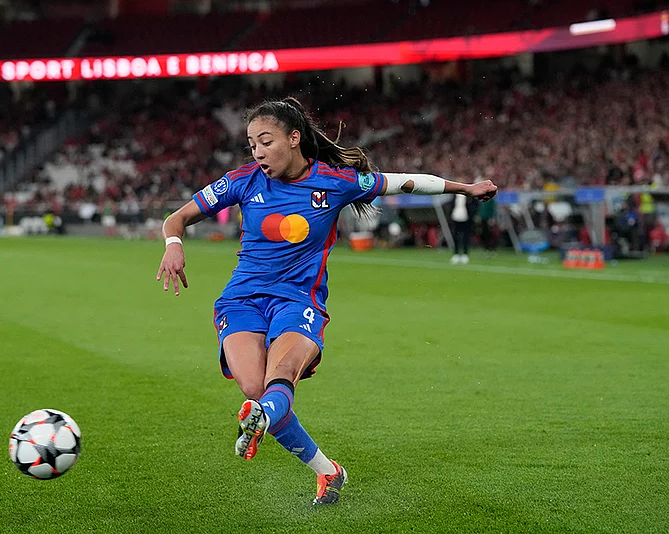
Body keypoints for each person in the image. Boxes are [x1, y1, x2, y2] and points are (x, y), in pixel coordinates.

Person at [156, 97, 497, 505]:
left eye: (266, 141)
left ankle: (271, 422)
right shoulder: (242, 180)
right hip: (242, 300)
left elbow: (402, 181)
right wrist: (173, 244)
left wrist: (464, 188)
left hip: (298, 299)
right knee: (254, 390)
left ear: (294, 137)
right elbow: (175, 218)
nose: (258, 152)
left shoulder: (335, 181)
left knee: (276, 382)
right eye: (252, 144)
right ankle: (328, 471)